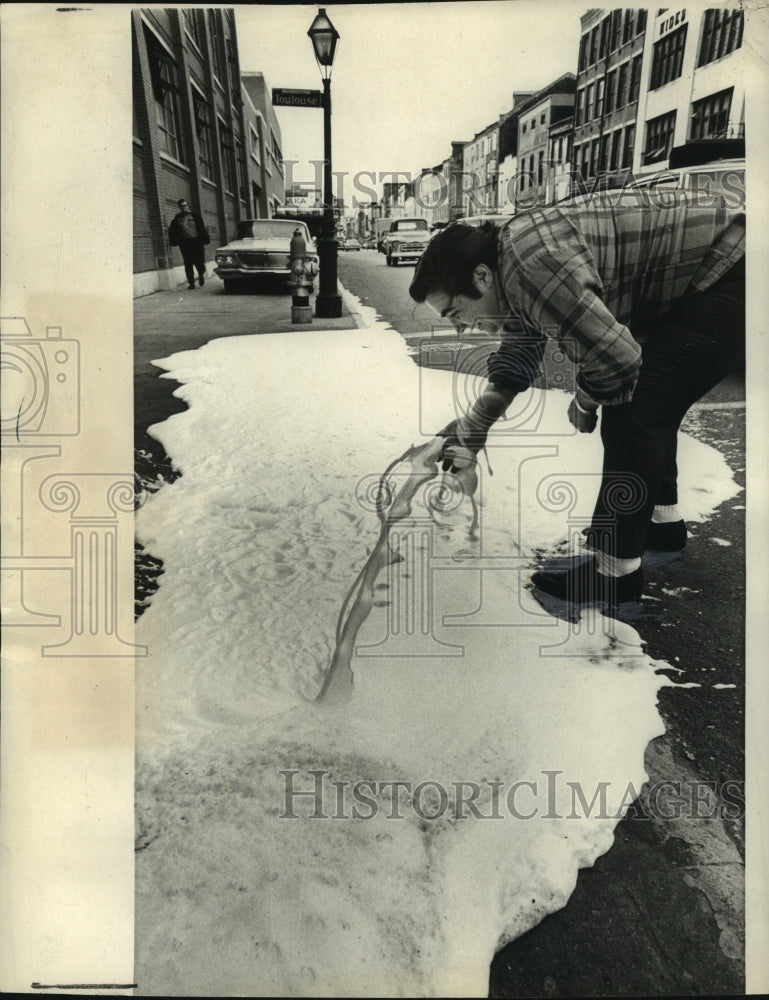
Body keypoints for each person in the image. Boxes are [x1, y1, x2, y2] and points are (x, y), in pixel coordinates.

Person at [409, 190, 745, 608]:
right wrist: (471, 431)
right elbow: (518, 354)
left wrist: (586, 401)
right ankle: (662, 524)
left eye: (455, 313)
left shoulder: (530, 266)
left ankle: (615, 574)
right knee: (653, 401)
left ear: (480, 277)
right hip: (721, 268)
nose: (460, 329)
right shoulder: (509, 268)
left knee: (634, 410)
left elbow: (618, 362)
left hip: (732, 269)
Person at [168, 198, 210, 289]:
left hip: (196, 241)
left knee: (199, 262)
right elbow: (173, 230)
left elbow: (202, 228)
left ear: (188, 206)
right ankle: (191, 283)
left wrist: (205, 239)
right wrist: (175, 241)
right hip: (185, 243)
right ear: (179, 207)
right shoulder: (178, 218)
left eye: (185, 205)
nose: (184, 207)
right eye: (181, 206)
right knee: (188, 263)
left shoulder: (195, 216)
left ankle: (201, 274)